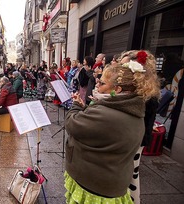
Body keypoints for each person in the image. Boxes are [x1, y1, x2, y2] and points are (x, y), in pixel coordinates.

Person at [64, 58, 159, 203]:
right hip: (113, 184)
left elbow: (72, 124)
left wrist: (76, 106)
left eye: (102, 83)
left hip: (95, 185)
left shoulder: (107, 111)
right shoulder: (133, 109)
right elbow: (99, 130)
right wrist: (86, 109)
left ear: (117, 89)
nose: (97, 84)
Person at [119, 50, 161, 204]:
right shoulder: (140, 90)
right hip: (133, 138)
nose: (120, 70)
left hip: (135, 140)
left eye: (123, 66)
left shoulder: (144, 94)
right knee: (131, 176)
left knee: (130, 176)